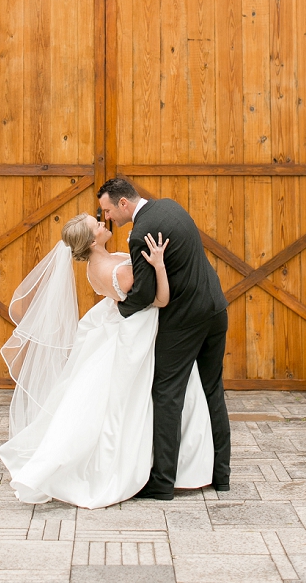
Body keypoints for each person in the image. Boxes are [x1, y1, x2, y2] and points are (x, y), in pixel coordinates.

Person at [0, 212, 213, 509]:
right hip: (136, 332)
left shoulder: (99, 265)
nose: (102, 224)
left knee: (107, 401)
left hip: (119, 327)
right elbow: (160, 300)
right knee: (129, 403)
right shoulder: (119, 271)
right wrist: (160, 266)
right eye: (96, 225)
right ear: (92, 240)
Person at [98, 178, 230, 498]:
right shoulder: (170, 206)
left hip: (185, 320)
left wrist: (118, 308)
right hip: (215, 308)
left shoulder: (142, 233)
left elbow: (143, 293)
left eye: (108, 210)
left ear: (124, 204)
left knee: (167, 394)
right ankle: (221, 476)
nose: (107, 217)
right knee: (213, 390)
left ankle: (162, 482)